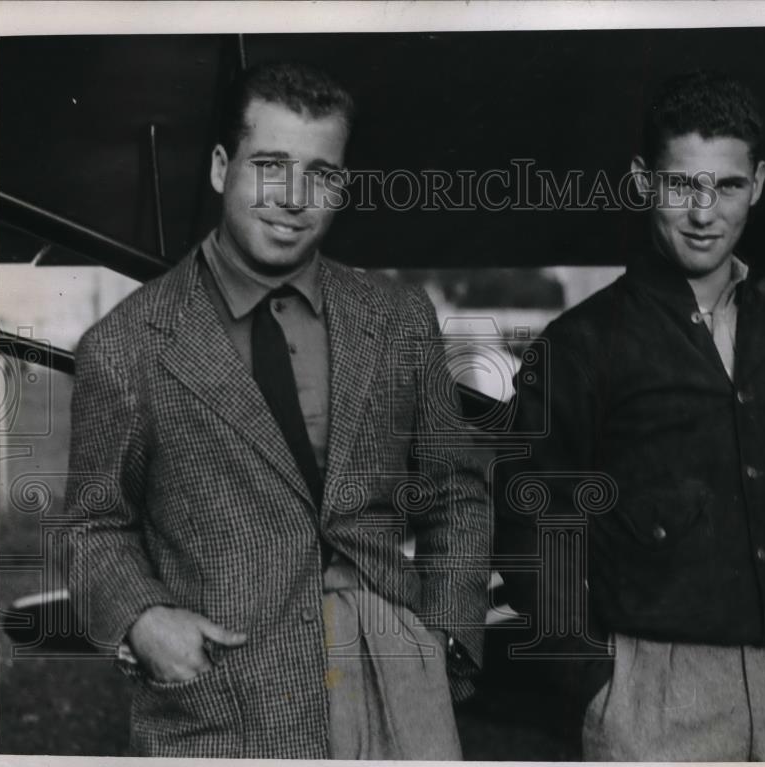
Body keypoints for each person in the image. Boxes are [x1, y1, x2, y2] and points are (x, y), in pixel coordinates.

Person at [66, 61, 489, 759]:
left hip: (397, 682)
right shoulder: (126, 343)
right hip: (228, 698)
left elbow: (455, 491)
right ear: (218, 167)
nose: (293, 197)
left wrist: (442, 631)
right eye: (269, 164)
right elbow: (91, 524)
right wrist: (142, 619)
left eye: (320, 173)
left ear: (343, 184)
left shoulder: (399, 319)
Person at [495, 70, 765, 761]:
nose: (706, 213)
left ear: (757, 183)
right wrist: (592, 682)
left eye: (728, 186)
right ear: (645, 181)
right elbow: (529, 521)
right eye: (682, 186)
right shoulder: (580, 344)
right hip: (655, 695)